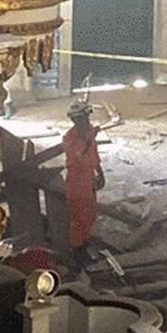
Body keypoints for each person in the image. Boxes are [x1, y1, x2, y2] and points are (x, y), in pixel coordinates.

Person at [63, 100, 105, 264]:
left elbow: (94, 154)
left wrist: (100, 173)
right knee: (78, 216)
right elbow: (78, 157)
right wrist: (86, 140)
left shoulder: (88, 132)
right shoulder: (69, 138)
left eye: (87, 117)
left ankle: (84, 242)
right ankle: (76, 250)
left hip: (88, 179)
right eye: (83, 118)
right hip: (76, 182)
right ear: (75, 120)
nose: (87, 121)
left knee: (91, 213)